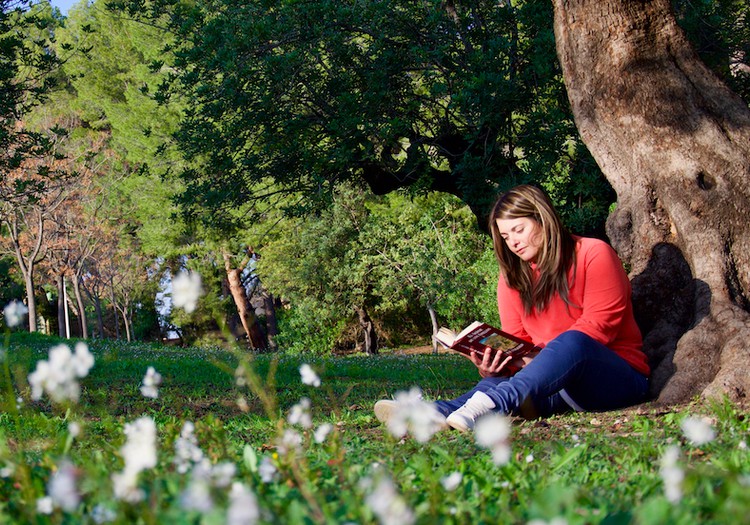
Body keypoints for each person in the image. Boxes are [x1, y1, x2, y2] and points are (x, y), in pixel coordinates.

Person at [374, 184, 650, 432]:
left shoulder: (593, 253)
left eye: (519, 230)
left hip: (612, 380)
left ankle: (492, 404)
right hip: (551, 386)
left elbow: (599, 328)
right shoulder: (512, 279)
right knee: (496, 382)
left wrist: (536, 361)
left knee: (574, 341)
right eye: (506, 236)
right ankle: (434, 413)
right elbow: (518, 344)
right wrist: (492, 366)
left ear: (544, 220)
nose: (514, 242)